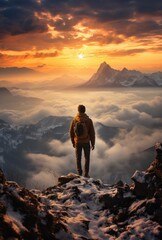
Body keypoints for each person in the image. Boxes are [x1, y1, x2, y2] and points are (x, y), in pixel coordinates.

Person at [69, 105, 95, 177]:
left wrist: (73, 142)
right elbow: (92, 133)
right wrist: (93, 143)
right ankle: (86, 174)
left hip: (77, 142)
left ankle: (79, 173)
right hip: (86, 142)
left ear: (78, 110)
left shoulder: (74, 120)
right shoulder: (89, 121)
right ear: (85, 110)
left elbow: (71, 132)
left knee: (78, 158)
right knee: (87, 158)